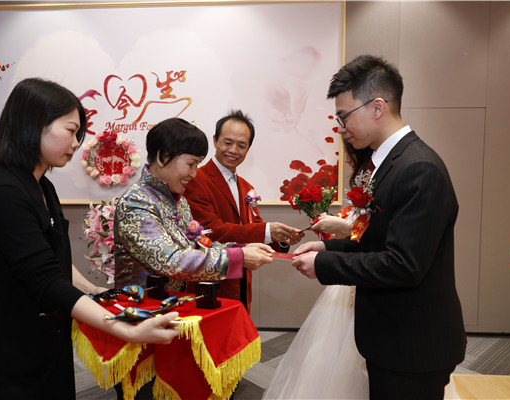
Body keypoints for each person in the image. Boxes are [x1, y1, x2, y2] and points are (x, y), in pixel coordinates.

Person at [0, 78, 180, 400]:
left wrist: (95, 291)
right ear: (33, 124)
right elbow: (44, 278)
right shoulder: (2, 193)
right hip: (0, 351)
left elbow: (50, 258)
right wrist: (121, 326)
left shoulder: (42, 186)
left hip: (43, 338)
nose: (77, 142)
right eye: (71, 130)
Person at [291, 55, 467, 399]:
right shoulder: (385, 165)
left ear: (377, 107)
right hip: (391, 338)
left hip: (413, 345)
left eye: (344, 116)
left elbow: (403, 265)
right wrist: (327, 246)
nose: (340, 127)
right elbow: (376, 239)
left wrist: (324, 265)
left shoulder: (418, 169)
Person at [114, 117, 274, 294]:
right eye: (190, 164)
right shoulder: (136, 202)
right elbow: (171, 261)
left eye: (197, 165)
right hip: (139, 306)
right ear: (163, 157)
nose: (194, 174)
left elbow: (197, 246)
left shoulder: (180, 202)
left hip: (174, 303)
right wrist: (238, 257)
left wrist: (239, 249)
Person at [263, 140, 372, 400]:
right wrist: (330, 240)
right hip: (354, 272)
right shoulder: (365, 181)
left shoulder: (380, 181)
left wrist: (344, 227)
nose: (348, 162)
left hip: (366, 272)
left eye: (351, 156)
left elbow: (375, 234)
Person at [183, 110, 302, 310]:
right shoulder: (196, 180)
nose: (233, 150)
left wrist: (281, 238)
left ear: (248, 148)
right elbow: (211, 231)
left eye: (241, 145)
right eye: (227, 142)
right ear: (215, 140)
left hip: (242, 285)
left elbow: (254, 228)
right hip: (211, 285)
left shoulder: (246, 187)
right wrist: (268, 230)